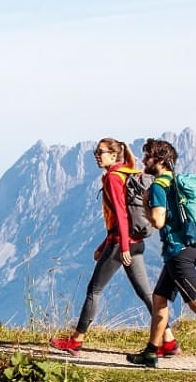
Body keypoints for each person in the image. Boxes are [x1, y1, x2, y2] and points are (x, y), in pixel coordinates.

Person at [51, 137, 176, 354]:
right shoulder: (127, 171)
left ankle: (76, 341)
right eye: (96, 153)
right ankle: (169, 340)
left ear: (113, 155)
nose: (97, 156)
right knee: (147, 294)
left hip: (122, 244)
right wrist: (104, 244)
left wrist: (123, 246)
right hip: (135, 242)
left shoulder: (112, 178)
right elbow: (122, 215)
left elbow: (121, 214)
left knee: (94, 290)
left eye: (102, 152)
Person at [127, 138, 196, 372]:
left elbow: (157, 221)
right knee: (159, 299)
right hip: (190, 249)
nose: (144, 160)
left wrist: (146, 203)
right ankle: (150, 352)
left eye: (147, 156)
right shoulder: (177, 184)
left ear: (159, 160)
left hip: (178, 253)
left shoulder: (158, 187)